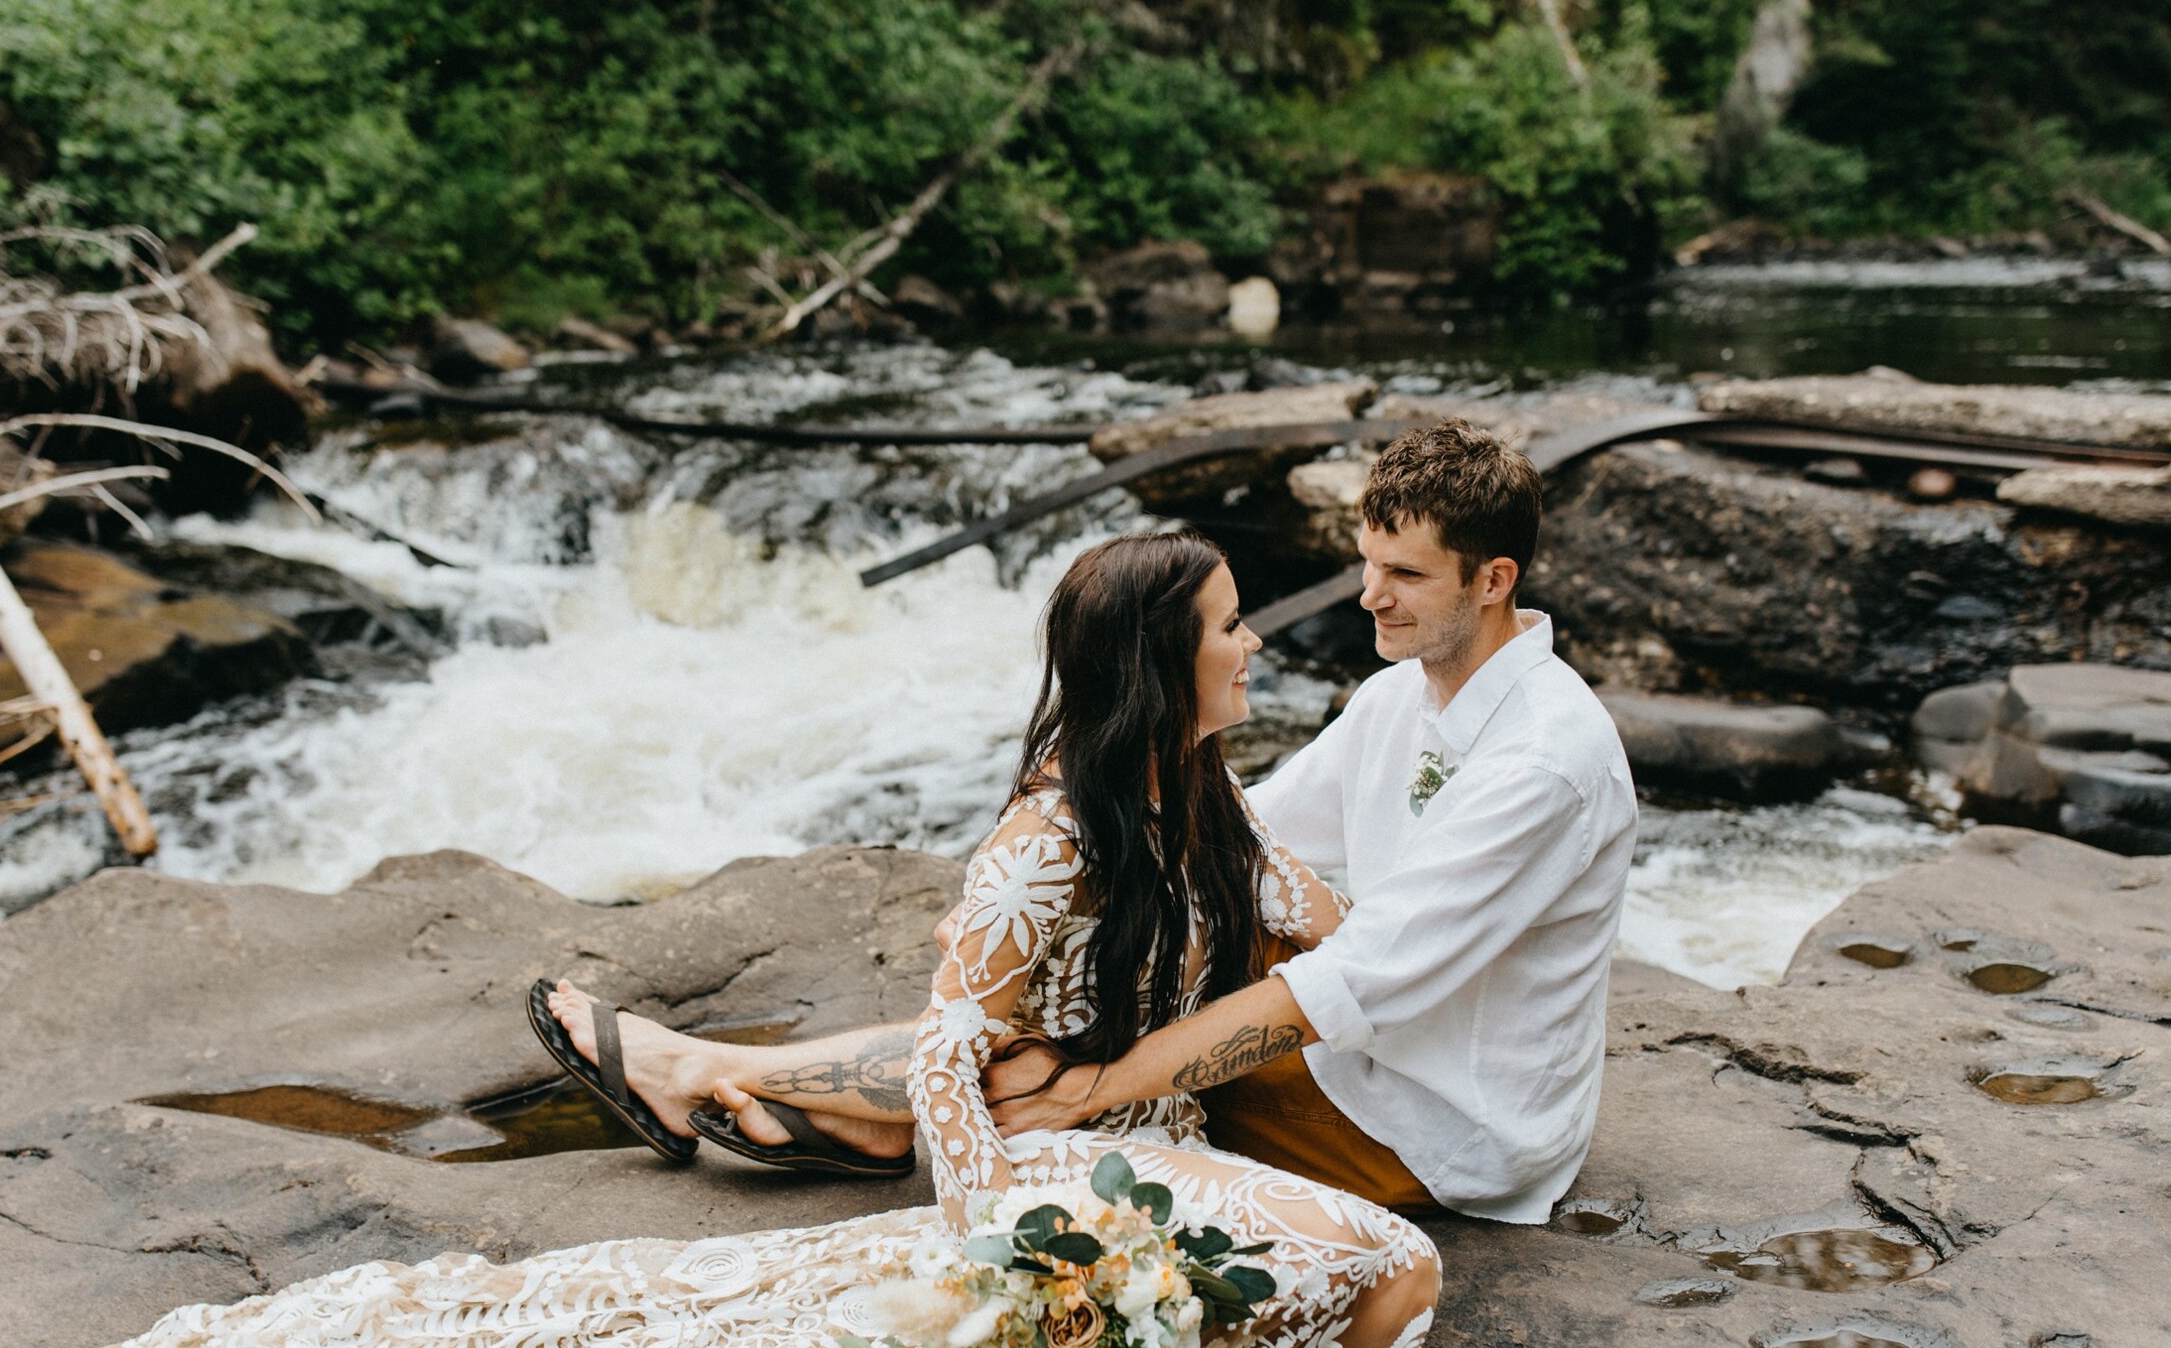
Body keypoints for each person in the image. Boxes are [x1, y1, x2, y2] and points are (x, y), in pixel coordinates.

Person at [6, 530, 1440, 1348]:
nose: (1254, 643)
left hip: (1164, 1141)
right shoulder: (1048, 841)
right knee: (1386, 1268)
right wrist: (998, 1251)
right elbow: (947, 1051)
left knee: (1383, 1293)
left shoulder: (1204, 794)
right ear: (1156, 659)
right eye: (1231, 626)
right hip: (1063, 1173)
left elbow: (1326, 930)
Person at [562, 419, 1636, 1227]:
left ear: (1494, 581)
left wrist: (1100, 1091)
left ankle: (715, 1077)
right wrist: (1023, 912)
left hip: (1435, 1123)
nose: (1367, 598)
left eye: (1404, 575)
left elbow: (1343, 988)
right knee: (1084, 958)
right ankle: (824, 1106)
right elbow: (1247, 831)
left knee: (1062, 1054)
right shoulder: (1406, 692)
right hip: (1378, 1040)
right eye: (1366, 563)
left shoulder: (1545, 763)